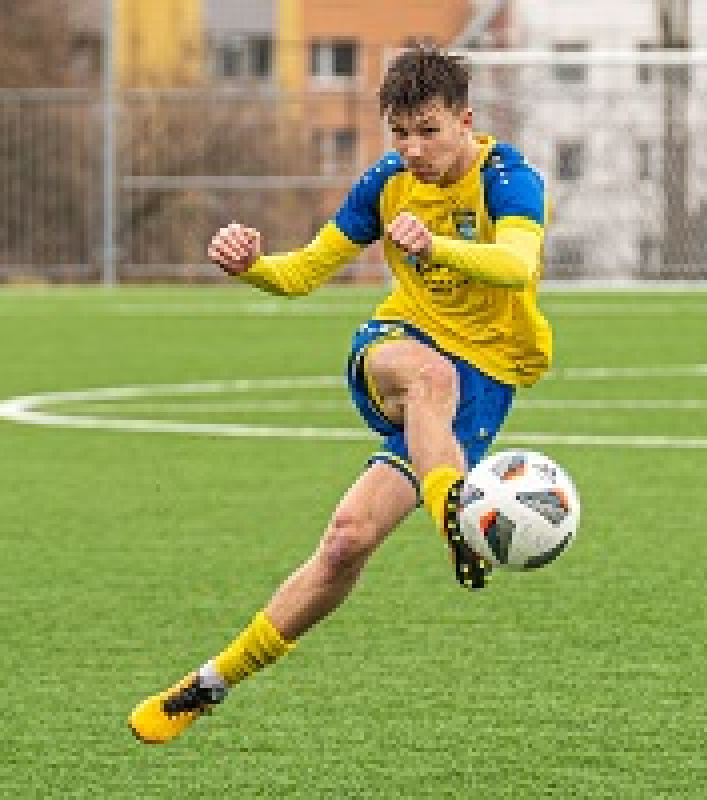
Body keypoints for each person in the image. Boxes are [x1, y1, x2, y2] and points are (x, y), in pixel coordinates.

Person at [128, 45, 552, 744]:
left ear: (466, 121)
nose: (412, 149)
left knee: (347, 540)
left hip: (486, 379)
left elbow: (516, 264)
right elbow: (301, 274)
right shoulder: (387, 182)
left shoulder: (510, 178)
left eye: (429, 131)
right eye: (399, 133)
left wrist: (433, 248)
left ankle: (206, 685)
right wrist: (252, 266)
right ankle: (455, 508)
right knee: (428, 375)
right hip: (398, 344)